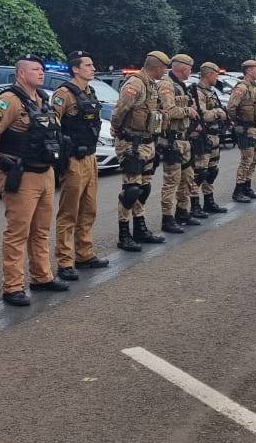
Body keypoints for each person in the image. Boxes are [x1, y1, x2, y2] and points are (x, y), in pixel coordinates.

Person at [0, 55, 68, 307]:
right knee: (17, 232)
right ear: (21, 74)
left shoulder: (42, 99)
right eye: (35, 69)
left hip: (45, 172)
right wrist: (9, 154)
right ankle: (12, 287)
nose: (41, 73)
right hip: (21, 173)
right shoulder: (8, 101)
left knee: (41, 230)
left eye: (42, 69)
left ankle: (42, 277)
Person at [49, 51, 109, 283]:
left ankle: (84, 254)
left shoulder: (89, 92)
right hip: (73, 159)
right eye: (88, 65)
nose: (93, 68)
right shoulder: (63, 94)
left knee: (89, 209)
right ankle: (65, 261)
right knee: (69, 212)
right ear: (75, 69)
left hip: (91, 158)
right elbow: (53, 125)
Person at [111, 51, 170, 249]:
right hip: (132, 144)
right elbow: (120, 110)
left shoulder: (151, 84)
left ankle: (140, 228)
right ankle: (124, 234)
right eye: (164, 68)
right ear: (157, 67)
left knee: (143, 188)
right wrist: (117, 130)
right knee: (131, 190)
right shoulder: (135, 84)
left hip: (147, 142)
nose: (165, 72)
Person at [158, 54, 201, 233]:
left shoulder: (182, 86)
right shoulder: (166, 85)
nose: (190, 72)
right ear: (183, 68)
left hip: (184, 139)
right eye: (189, 68)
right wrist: (188, 111)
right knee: (172, 181)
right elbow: (168, 110)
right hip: (172, 140)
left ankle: (182, 212)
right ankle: (167, 218)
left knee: (187, 178)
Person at [190, 62, 230, 214]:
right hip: (203, 137)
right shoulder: (197, 92)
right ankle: (194, 205)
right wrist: (218, 112)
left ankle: (209, 201)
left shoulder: (210, 91)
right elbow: (202, 115)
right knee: (200, 172)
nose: (217, 77)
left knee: (212, 171)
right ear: (209, 74)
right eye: (216, 74)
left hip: (214, 136)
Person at [228, 59, 256, 203]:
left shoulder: (254, 87)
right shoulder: (242, 88)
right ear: (249, 71)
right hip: (246, 129)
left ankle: (247, 187)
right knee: (246, 160)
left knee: (254, 160)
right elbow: (231, 107)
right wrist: (238, 123)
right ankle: (238, 190)